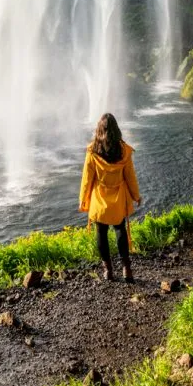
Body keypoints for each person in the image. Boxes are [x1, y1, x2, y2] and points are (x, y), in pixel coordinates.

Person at [79, 113, 141, 283]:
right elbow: (130, 177)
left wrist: (83, 199)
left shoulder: (92, 151)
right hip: (119, 198)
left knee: (101, 232)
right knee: (120, 229)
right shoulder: (124, 151)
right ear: (116, 129)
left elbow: (87, 179)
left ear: (99, 130)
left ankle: (108, 270)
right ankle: (126, 269)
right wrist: (136, 195)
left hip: (100, 197)